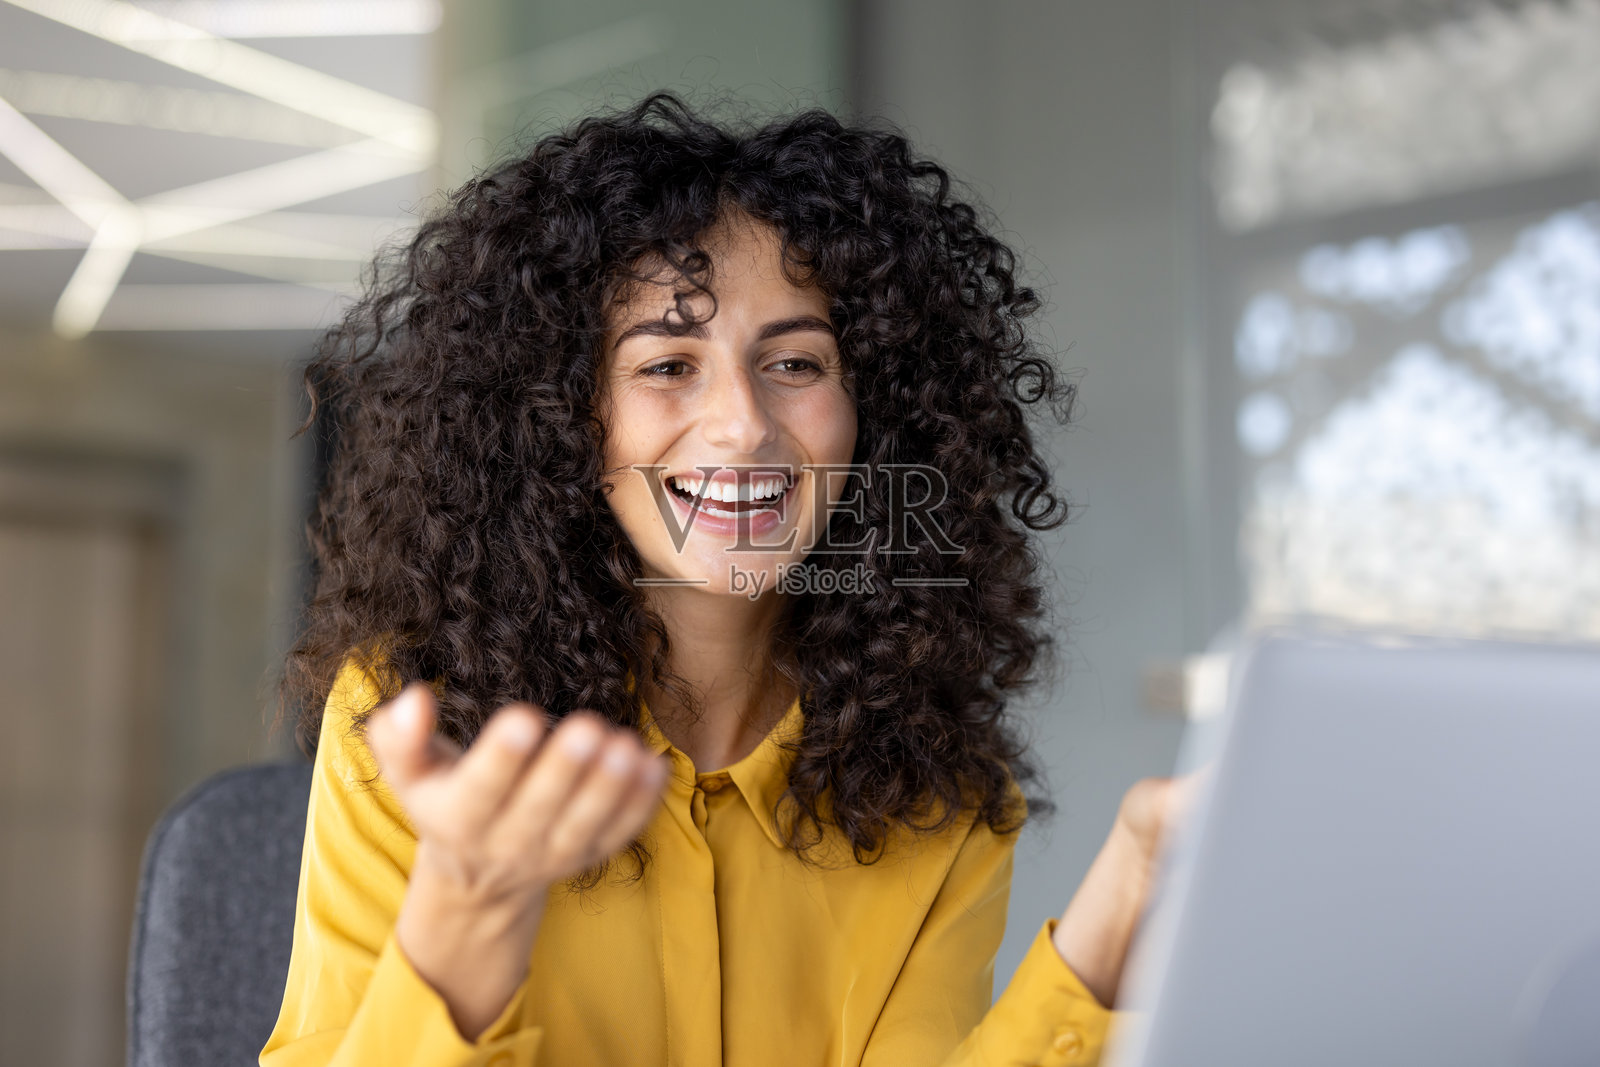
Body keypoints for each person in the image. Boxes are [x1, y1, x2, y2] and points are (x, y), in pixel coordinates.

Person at [260, 92, 1180, 1067]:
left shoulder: (935, 776)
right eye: (667, 364)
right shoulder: (420, 716)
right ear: (561, 419)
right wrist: (466, 908)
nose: (742, 423)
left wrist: (1131, 890)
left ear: (875, 410)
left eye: (793, 361)